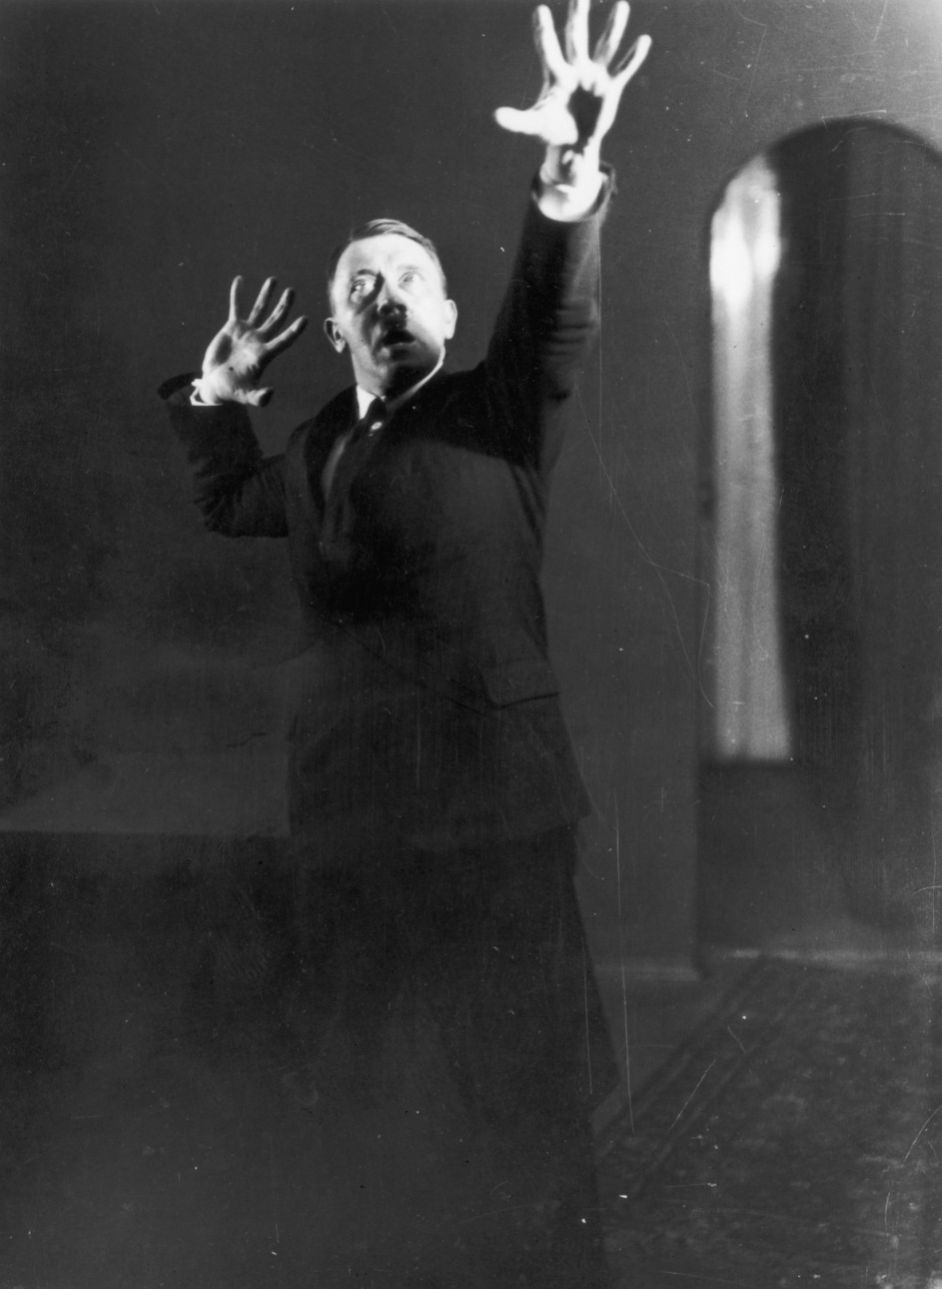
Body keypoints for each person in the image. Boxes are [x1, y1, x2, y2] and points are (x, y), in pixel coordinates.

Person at [162, 3, 651, 1285]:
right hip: (355, 820)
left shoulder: (502, 408)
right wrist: (215, 396)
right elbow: (230, 500)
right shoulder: (317, 444)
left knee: (527, 1112)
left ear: (447, 307)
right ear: (337, 329)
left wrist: (567, 175)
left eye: (409, 278)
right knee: (367, 1105)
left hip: (493, 819)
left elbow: (551, 310)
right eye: (360, 285)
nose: (386, 294)